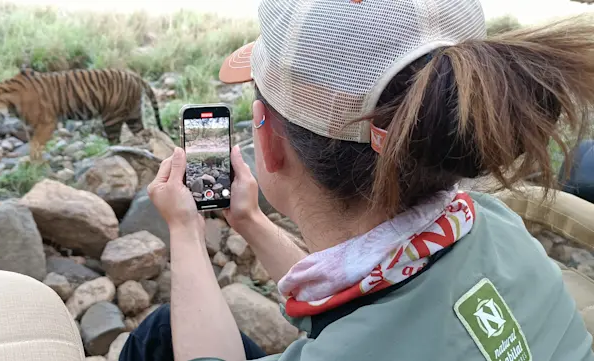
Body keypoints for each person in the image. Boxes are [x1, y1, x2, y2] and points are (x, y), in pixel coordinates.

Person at [119, 0, 594, 360]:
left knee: (156, 338)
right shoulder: (492, 221)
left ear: (268, 143)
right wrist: (247, 218)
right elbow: (353, 296)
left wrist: (184, 228)